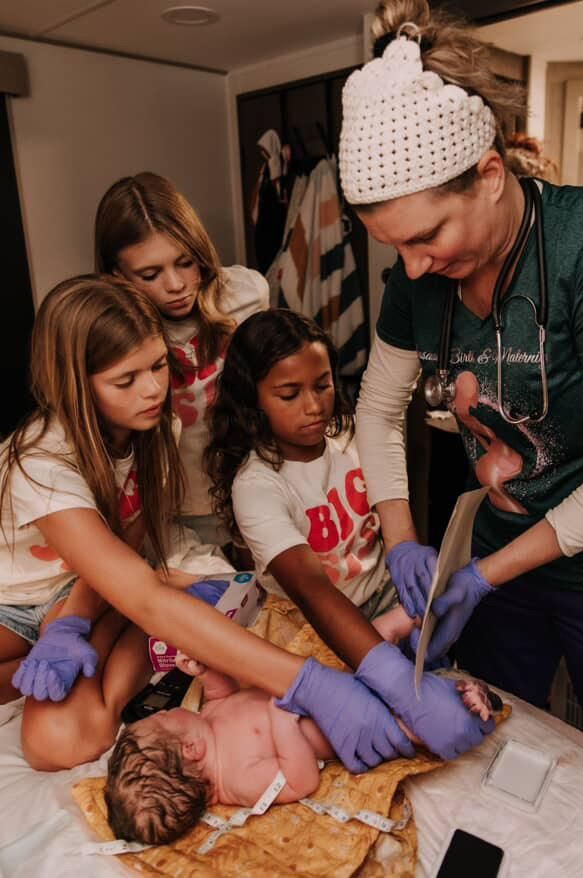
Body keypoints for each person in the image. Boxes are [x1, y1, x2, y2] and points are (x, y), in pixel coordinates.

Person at [1, 274, 420, 776]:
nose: (154, 390)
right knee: (53, 705)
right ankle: (120, 635)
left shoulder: (154, 428)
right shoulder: (41, 462)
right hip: (15, 600)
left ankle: (121, 636)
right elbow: (139, 586)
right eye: (126, 380)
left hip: (93, 589)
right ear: (75, 383)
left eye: (158, 365)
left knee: (61, 742)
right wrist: (311, 684)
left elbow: (129, 545)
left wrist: (76, 618)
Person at [339, 0, 583, 712]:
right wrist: (403, 542)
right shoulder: (415, 286)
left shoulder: (575, 253)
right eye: (395, 248)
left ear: (488, 174)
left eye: (427, 238)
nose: (412, 270)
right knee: (505, 728)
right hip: (498, 553)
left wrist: (483, 575)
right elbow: (379, 411)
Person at [205, 307, 494, 758]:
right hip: (316, 621)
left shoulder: (351, 437)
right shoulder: (257, 486)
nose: (314, 405)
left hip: (381, 600)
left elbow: (393, 514)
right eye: (289, 394)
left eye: (322, 385)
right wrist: (392, 674)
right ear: (252, 402)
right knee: (334, 729)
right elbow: (313, 591)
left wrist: (418, 589)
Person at [105, 651, 500, 845]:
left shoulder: (208, 719)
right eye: (162, 717)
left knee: (378, 658)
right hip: (352, 728)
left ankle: (425, 658)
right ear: (191, 750)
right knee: (414, 726)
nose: (171, 709)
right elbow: (301, 779)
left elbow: (223, 694)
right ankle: (471, 704)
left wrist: (207, 672)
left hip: (331, 692)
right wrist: (282, 722)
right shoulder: (239, 780)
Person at [94, 171, 269, 547]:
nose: (175, 285)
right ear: (116, 275)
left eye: (185, 262)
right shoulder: (111, 336)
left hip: (257, 488)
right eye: (150, 274)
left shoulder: (247, 294)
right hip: (174, 513)